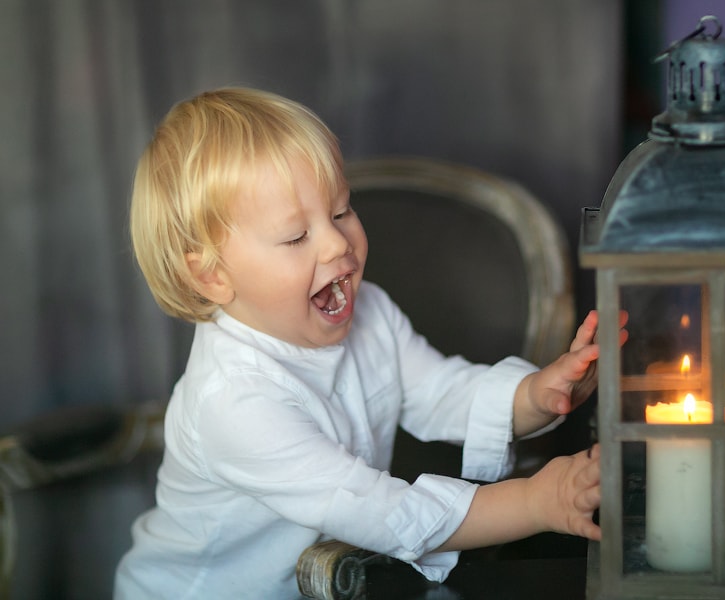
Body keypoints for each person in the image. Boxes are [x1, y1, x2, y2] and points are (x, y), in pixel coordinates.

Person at [114, 87, 627, 598]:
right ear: (212, 277)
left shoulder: (371, 312)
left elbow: (443, 392)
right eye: (296, 237)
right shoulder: (233, 400)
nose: (338, 242)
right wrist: (538, 501)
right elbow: (384, 511)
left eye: (340, 212)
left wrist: (538, 393)